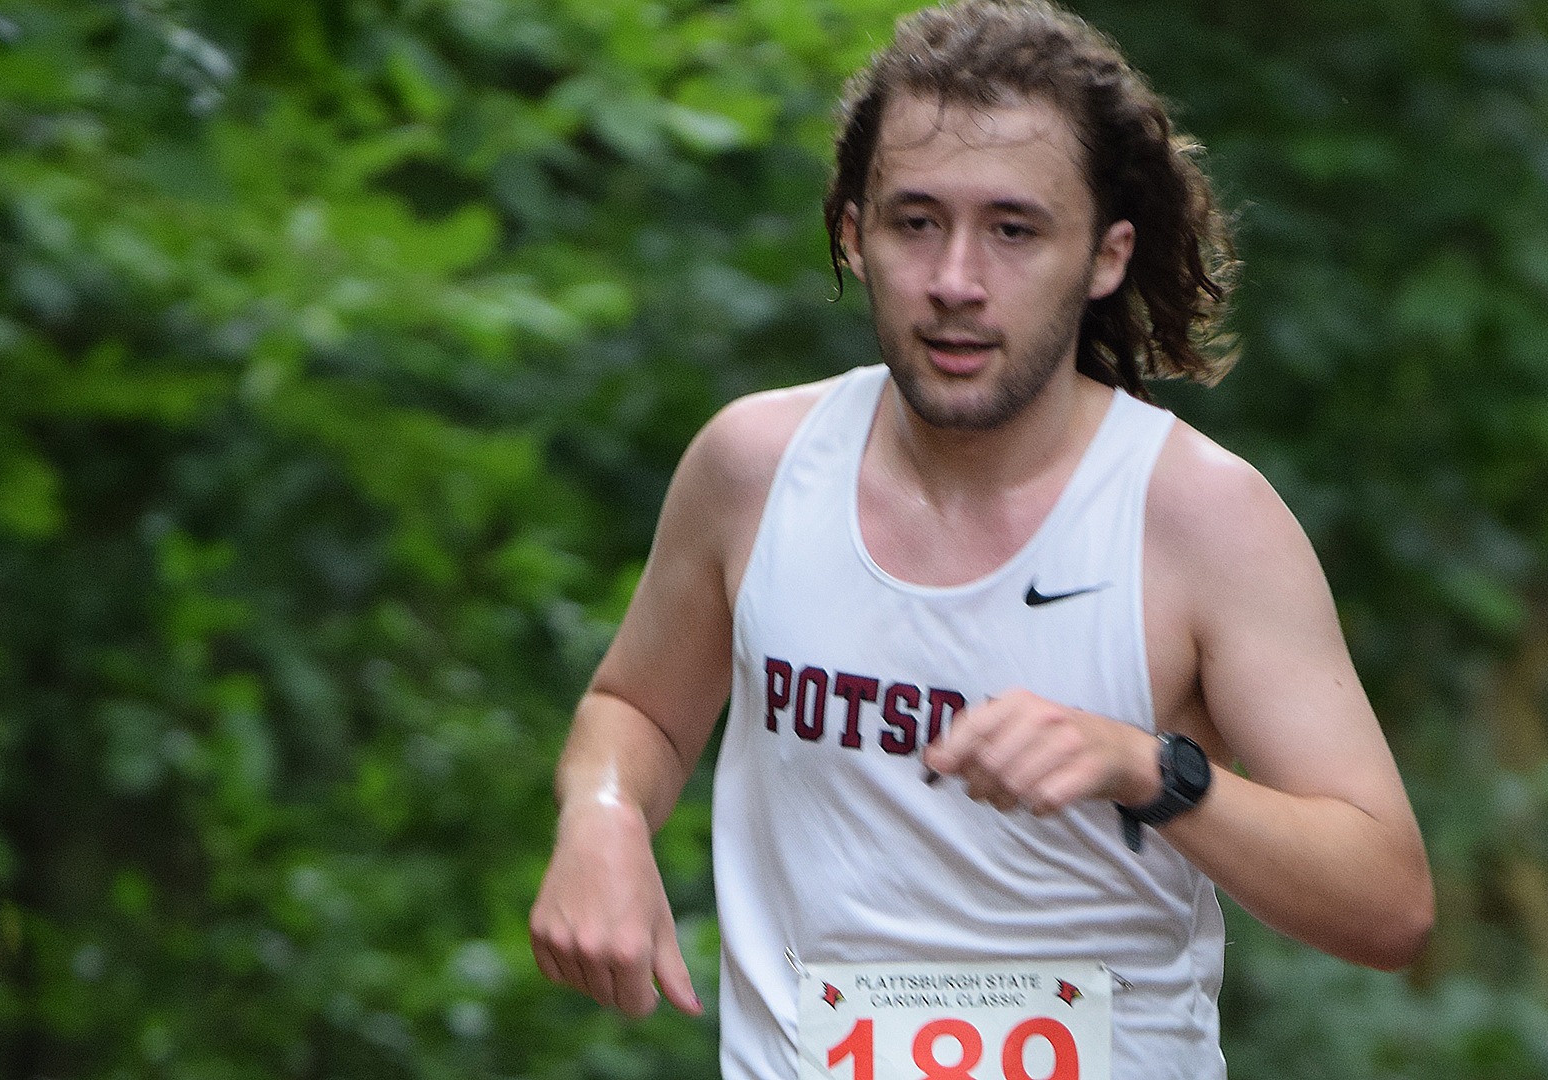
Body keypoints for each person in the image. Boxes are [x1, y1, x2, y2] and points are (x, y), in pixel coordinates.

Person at [529, 1, 1434, 1076]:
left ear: (1104, 255)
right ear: (854, 235)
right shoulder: (754, 468)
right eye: (917, 222)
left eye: (1013, 230)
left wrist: (1145, 768)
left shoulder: (1197, 518)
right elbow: (636, 712)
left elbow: (1388, 904)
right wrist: (600, 813)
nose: (957, 281)